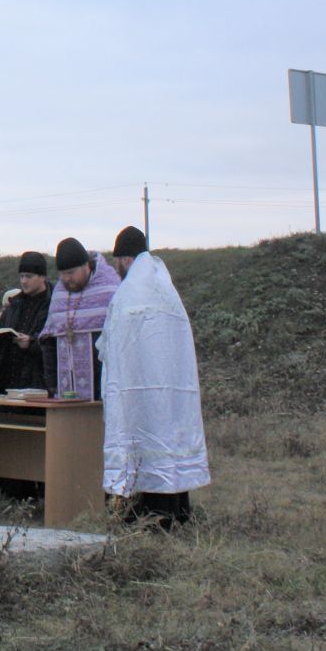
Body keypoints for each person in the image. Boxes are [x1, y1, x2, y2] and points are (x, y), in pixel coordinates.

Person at [97, 226, 210, 528]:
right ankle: (178, 512)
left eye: (117, 260)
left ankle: (150, 516)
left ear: (125, 259)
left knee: (144, 444)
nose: (117, 267)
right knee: (167, 446)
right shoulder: (166, 287)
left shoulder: (129, 293)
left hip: (139, 390)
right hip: (171, 390)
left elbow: (114, 345)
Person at [38, 237, 120, 401]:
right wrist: (52, 384)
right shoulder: (60, 293)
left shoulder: (110, 288)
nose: (67, 279)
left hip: (102, 391)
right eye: (62, 274)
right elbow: (49, 342)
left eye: (71, 273)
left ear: (86, 265)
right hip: (64, 391)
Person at [0, 252, 53, 394]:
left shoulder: (53, 304)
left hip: (38, 384)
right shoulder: (14, 304)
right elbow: (1, 329)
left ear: (42, 277)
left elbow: (55, 341)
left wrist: (31, 342)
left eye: (29, 276)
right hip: (8, 382)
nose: (23, 281)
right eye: (21, 276)